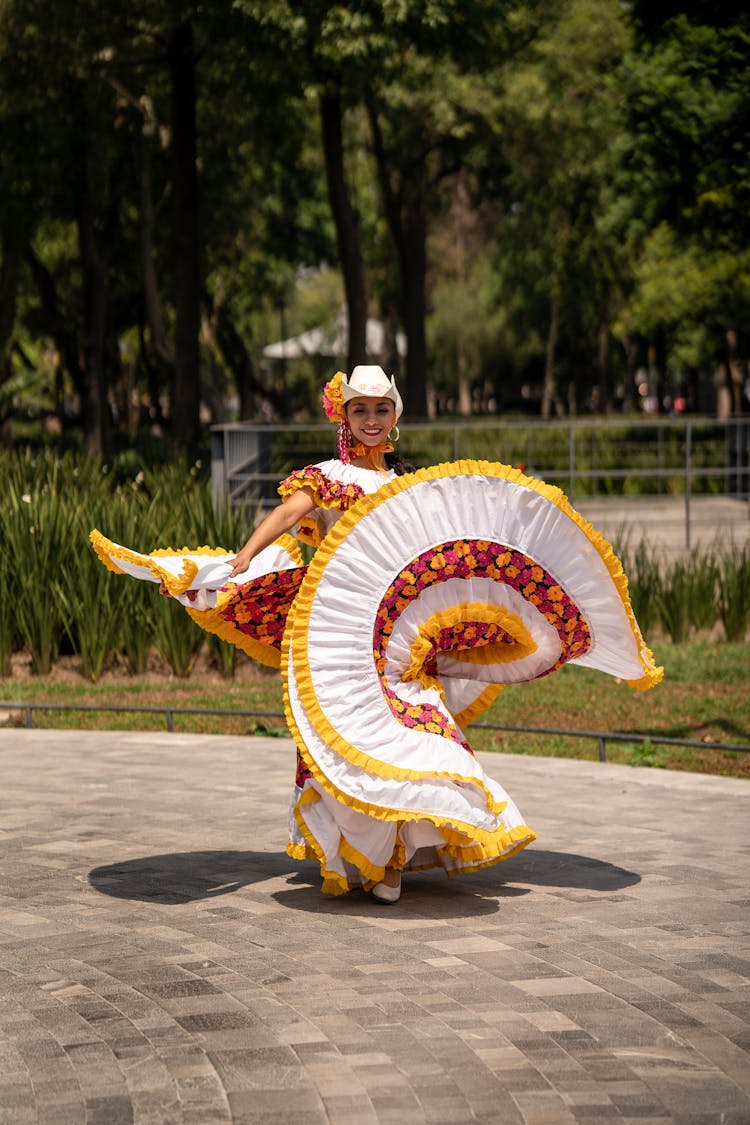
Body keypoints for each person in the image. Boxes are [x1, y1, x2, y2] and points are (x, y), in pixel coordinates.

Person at [91, 365, 661, 905]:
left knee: (415, 734)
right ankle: (365, 861)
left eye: (380, 408)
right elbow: (290, 515)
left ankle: (391, 856)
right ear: (344, 415)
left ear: (395, 415)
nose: (370, 419)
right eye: (359, 408)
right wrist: (245, 556)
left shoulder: (409, 488)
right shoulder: (330, 478)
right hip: (341, 646)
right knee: (348, 744)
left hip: (402, 648)